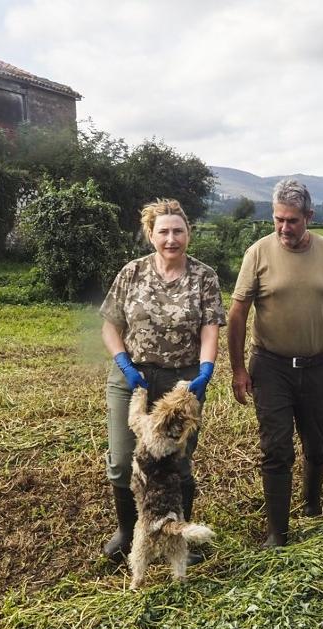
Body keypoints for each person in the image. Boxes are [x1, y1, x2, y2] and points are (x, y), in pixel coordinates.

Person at [228, 178, 323, 548]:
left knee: (317, 445)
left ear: (309, 217)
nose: (284, 228)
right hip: (270, 367)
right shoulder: (258, 253)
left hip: (316, 366)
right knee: (276, 449)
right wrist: (238, 369)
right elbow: (237, 313)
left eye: (292, 220)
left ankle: (313, 505)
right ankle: (277, 533)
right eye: (278, 220)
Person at [99, 198, 226, 564]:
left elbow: (209, 328)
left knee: (175, 463)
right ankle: (127, 531)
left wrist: (205, 370)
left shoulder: (204, 277)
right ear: (150, 235)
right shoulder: (132, 273)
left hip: (180, 385)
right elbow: (110, 325)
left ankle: (176, 537)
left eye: (178, 231)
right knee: (124, 460)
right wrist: (122, 361)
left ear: (188, 233)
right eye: (164, 232)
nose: (172, 239)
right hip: (133, 378)